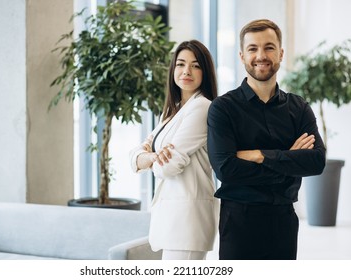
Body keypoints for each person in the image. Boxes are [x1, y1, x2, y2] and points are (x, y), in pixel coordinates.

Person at [207, 19, 326, 260]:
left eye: (269, 47)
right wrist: (289, 159)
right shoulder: (223, 108)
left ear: (281, 53)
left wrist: (261, 155)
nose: (261, 55)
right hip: (239, 220)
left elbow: (316, 161)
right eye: (253, 49)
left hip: (283, 219)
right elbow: (226, 169)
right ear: (242, 56)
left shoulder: (299, 107)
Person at [130, 40, 220, 260]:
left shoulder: (202, 107)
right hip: (173, 219)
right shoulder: (172, 112)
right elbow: (134, 157)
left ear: (205, 72)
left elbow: (168, 167)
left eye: (195, 65)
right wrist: (152, 156)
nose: (186, 71)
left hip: (188, 220)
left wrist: (149, 159)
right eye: (180, 64)